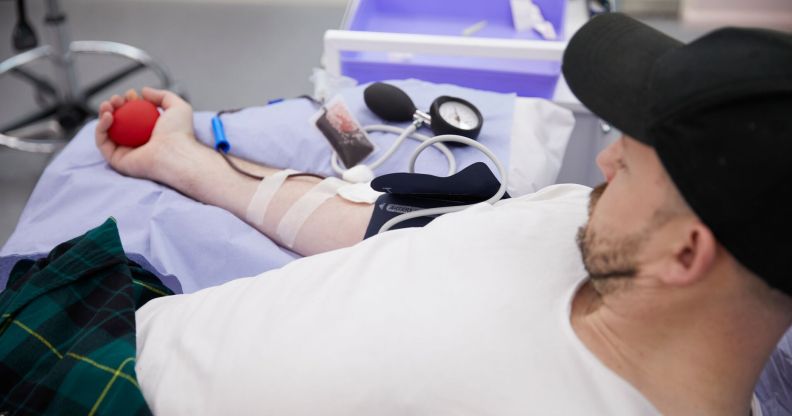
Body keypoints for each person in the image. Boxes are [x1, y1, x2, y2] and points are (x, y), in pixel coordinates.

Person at [95, 13, 791, 415]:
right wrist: (180, 160)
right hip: (122, 319)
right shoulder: (584, 221)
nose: (603, 163)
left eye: (631, 160)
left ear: (685, 254)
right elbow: (380, 228)